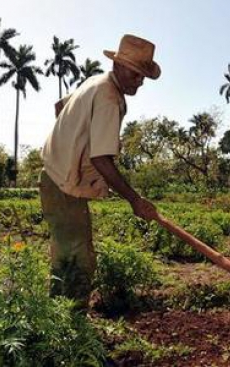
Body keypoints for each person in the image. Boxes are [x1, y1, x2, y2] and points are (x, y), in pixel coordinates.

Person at [39, 34, 161, 310]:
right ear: (118, 66)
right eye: (135, 73)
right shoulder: (108, 97)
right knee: (78, 260)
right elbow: (102, 159)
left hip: (55, 177)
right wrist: (135, 200)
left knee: (66, 255)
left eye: (143, 76)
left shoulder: (95, 81)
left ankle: (59, 320)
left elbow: (60, 106)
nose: (139, 81)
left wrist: (71, 139)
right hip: (62, 185)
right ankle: (70, 328)